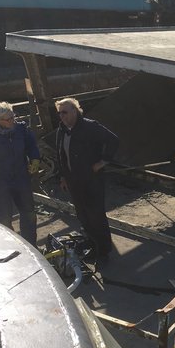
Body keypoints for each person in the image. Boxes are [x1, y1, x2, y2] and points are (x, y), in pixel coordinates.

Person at [54, 97, 120, 262]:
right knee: (83, 214)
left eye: (65, 112)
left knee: (96, 215)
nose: (62, 116)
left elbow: (113, 140)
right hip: (73, 180)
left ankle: (103, 251)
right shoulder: (62, 130)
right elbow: (61, 155)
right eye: (59, 113)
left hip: (92, 180)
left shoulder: (90, 126)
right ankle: (93, 245)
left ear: (75, 111)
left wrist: (102, 162)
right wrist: (63, 176)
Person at [0, 102, 40, 245]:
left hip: (21, 178)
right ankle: (10, 246)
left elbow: (31, 145)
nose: (12, 121)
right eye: (8, 119)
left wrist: (35, 158)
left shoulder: (21, 129)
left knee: (28, 213)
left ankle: (30, 244)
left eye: (13, 117)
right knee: (3, 218)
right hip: (0, 182)